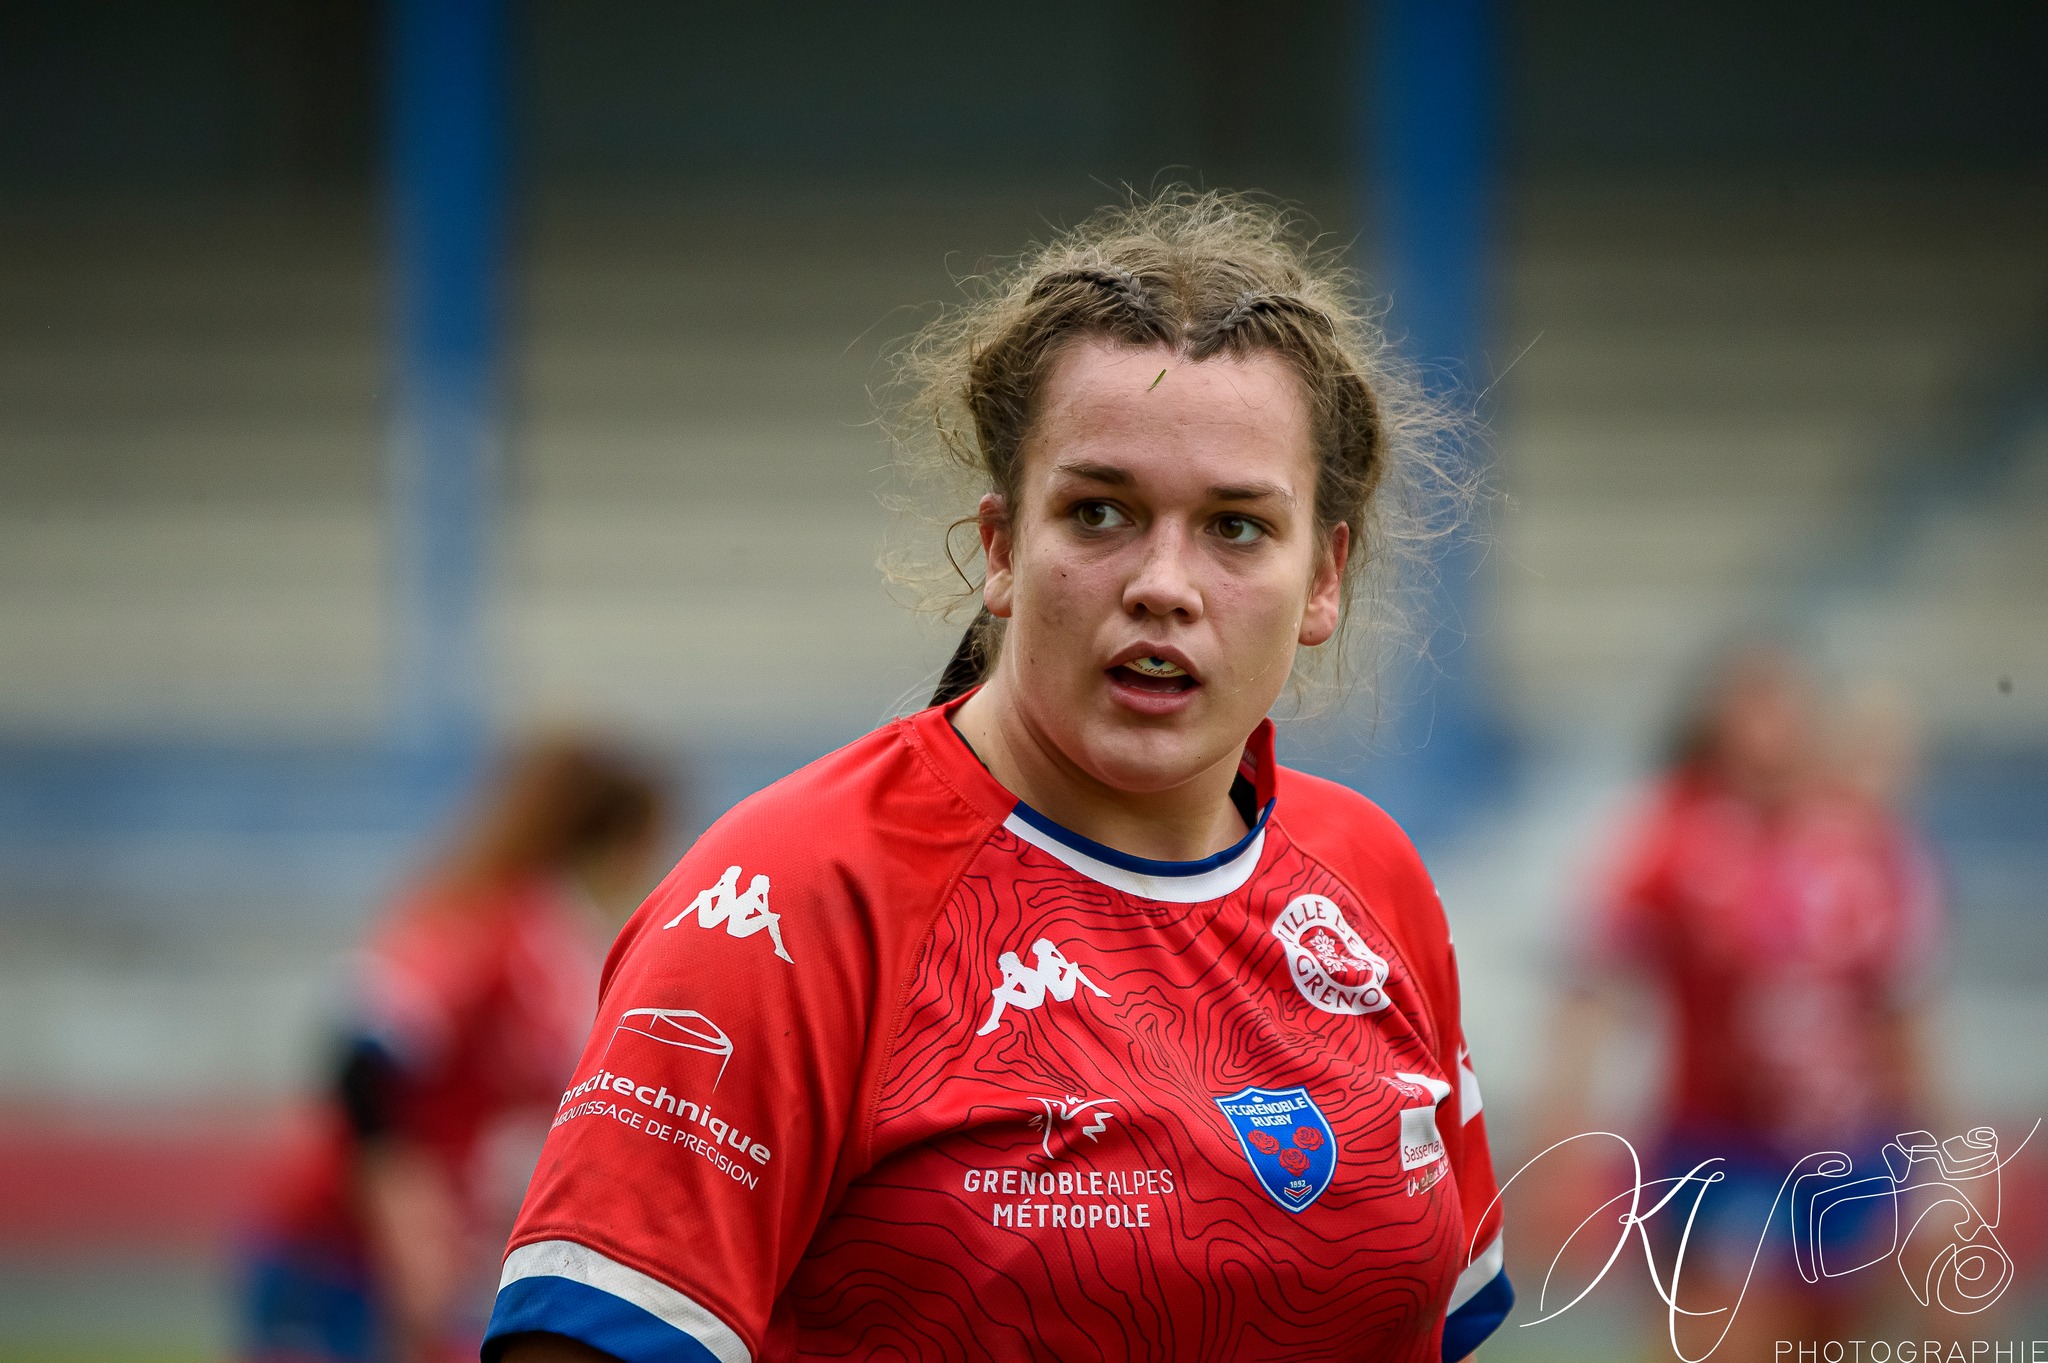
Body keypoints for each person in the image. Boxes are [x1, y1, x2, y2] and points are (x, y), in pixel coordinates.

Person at [486, 192, 1512, 1363]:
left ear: (1322, 576)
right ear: (1003, 549)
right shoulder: (786, 898)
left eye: (1234, 527)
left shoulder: (1368, 881)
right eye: (1099, 511)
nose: (1163, 583)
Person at [1539, 648, 1940, 1354]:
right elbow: (1593, 984)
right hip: (1720, 1148)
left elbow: (1899, 1004)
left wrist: (1939, 1135)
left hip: (1851, 1145)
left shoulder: (1860, 841)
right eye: (1756, 707)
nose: (1775, 730)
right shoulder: (1668, 837)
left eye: (1789, 708)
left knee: (1850, 1333)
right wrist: (1563, 1131)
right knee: (1728, 1331)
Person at [241, 738, 669, 1363]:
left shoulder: (559, 946)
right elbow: (363, 1048)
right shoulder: (490, 925)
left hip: (432, 1267)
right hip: (336, 1254)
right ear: (613, 839)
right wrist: (405, 1212)